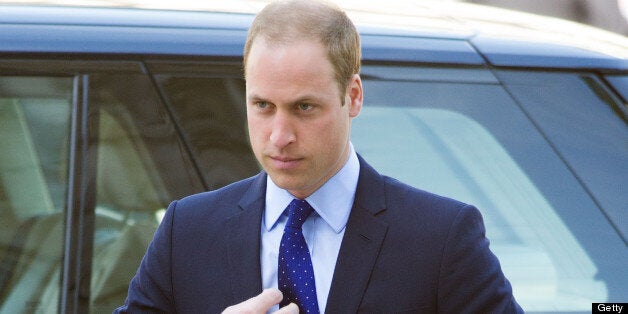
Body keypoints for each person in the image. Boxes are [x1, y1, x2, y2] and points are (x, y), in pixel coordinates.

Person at [115, 0, 523, 313]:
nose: (279, 135)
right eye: (262, 106)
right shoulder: (187, 231)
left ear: (354, 96)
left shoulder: (440, 238)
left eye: (304, 107)